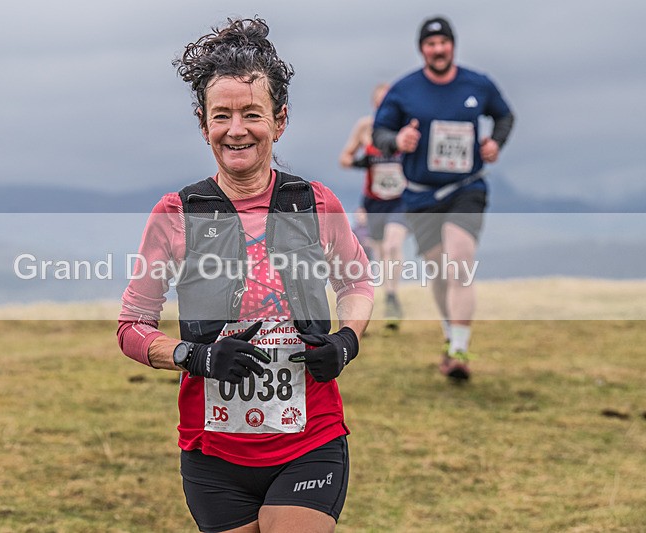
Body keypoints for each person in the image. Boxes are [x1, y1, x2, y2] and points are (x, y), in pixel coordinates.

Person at [117, 17, 374, 533]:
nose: (237, 129)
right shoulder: (177, 213)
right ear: (203, 123)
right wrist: (197, 356)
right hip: (213, 451)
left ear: (279, 121)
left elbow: (356, 285)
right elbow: (132, 327)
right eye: (222, 116)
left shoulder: (315, 202)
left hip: (310, 439)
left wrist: (345, 342)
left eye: (252, 114)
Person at [372, 16, 515, 381]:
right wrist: (398, 140)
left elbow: (504, 115)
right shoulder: (404, 89)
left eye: (444, 43)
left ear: (453, 45)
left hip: (466, 187)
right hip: (421, 196)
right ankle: (450, 336)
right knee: (439, 272)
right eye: (431, 44)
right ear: (422, 49)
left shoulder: (477, 84)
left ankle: (461, 349)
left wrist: (495, 142)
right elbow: (380, 130)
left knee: (459, 261)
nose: (438, 50)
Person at [340, 83, 409, 331]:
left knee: (393, 245)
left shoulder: (407, 127)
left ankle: (392, 298)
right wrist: (363, 161)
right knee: (379, 254)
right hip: (373, 202)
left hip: (401, 201)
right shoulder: (365, 127)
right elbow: (344, 158)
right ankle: (385, 298)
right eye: (379, 102)